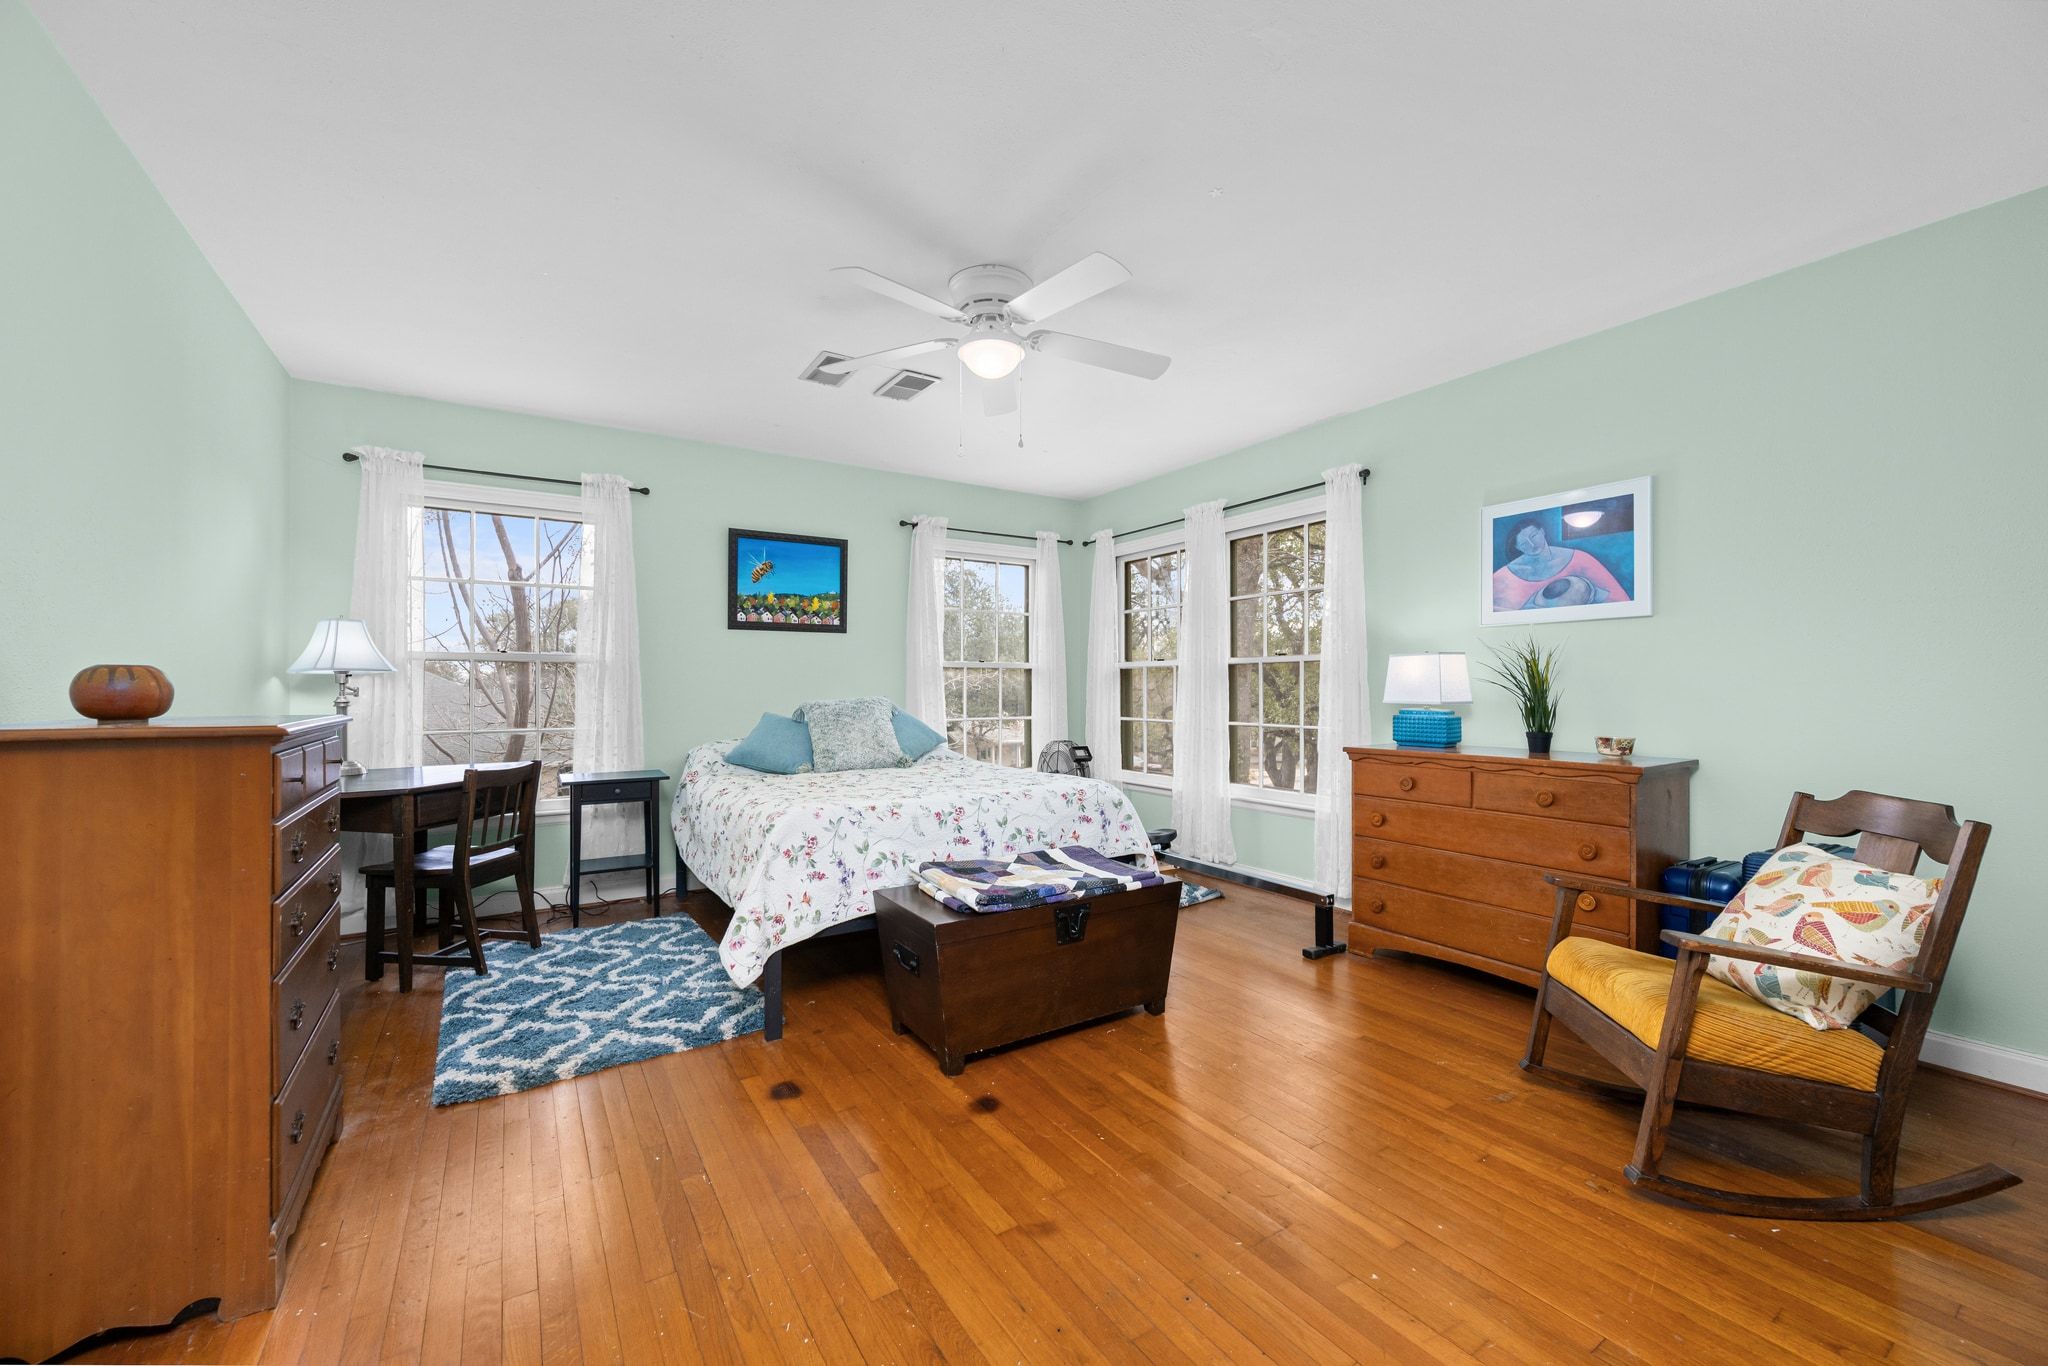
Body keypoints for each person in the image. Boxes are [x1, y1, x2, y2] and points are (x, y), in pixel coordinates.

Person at [1491, 518, 1629, 610]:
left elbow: (1619, 600)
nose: (1532, 545)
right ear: (1518, 548)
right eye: (1523, 544)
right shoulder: (1502, 578)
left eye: (1533, 536)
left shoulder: (1580, 559)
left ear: (1542, 531)